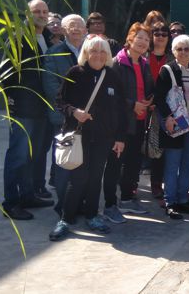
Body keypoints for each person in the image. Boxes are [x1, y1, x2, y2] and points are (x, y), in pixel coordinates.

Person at [49, 35, 127, 240]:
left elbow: (121, 109)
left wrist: (120, 138)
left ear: (108, 55)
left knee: (95, 178)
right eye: (94, 50)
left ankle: (92, 216)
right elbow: (60, 101)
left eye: (103, 51)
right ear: (86, 53)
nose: (98, 55)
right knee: (78, 178)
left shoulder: (112, 76)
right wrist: (74, 112)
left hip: (104, 138)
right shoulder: (75, 73)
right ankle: (65, 218)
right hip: (79, 136)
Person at [1, 0, 54, 220]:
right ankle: (11, 203)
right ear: (27, 14)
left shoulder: (49, 38)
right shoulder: (17, 37)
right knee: (18, 156)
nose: (41, 15)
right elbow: (4, 72)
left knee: (34, 155)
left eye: (44, 11)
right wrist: (11, 101)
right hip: (23, 107)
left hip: (43, 108)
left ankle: (28, 195)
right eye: (36, 11)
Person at [103, 23, 155, 223]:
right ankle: (110, 205)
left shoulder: (143, 63)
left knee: (133, 163)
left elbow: (147, 88)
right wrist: (132, 105)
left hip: (140, 122)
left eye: (146, 39)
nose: (143, 42)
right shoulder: (117, 62)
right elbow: (110, 95)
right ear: (130, 39)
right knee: (114, 165)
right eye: (139, 37)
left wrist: (149, 100)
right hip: (120, 124)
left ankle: (126, 199)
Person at [154, 34, 189, 219]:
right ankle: (171, 202)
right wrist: (168, 118)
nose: (183, 52)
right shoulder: (167, 70)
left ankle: (183, 200)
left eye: (187, 49)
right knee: (172, 164)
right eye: (179, 49)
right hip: (175, 124)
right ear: (173, 51)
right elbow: (160, 97)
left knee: (187, 164)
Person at [42, 14, 87, 213]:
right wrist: (71, 110)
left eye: (79, 26)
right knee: (64, 162)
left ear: (85, 30)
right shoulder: (54, 53)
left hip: (87, 119)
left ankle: (79, 202)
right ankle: (63, 206)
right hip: (63, 118)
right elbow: (51, 86)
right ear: (63, 29)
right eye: (71, 26)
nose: (76, 29)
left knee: (84, 163)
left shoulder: (91, 51)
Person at [147, 22, 172, 200]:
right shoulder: (144, 56)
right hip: (143, 107)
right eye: (157, 33)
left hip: (164, 109)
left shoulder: (172, 57)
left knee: (159, 148)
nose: (161, 36)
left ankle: (157, 184)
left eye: (164, 33)